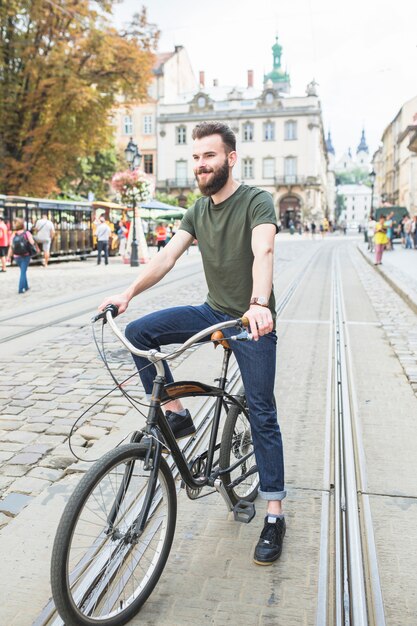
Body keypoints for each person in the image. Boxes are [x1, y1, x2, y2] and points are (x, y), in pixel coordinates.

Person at [99, 121, 286, 566]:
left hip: (250, 321)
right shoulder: (197, 210)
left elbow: (264, 252)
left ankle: (275, 513)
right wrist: (127, 294)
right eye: (196, 158)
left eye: (210, 156)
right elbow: (167, 256)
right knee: (141, 333)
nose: (202, 164)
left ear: (230, 158)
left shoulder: (256, 201)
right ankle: (177, 414)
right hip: (211, 311)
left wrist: (259, 303)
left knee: (261, 411)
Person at [7, 218, 36, 293]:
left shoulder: (13, 234)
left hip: (17, 256)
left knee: (23, 270)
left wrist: (8, 256)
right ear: (23, 225)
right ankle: (21, 289)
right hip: (26, 255)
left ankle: (26, 286)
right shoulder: (27, 233)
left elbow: (11, 246)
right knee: (23, 272)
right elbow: (32, 242)